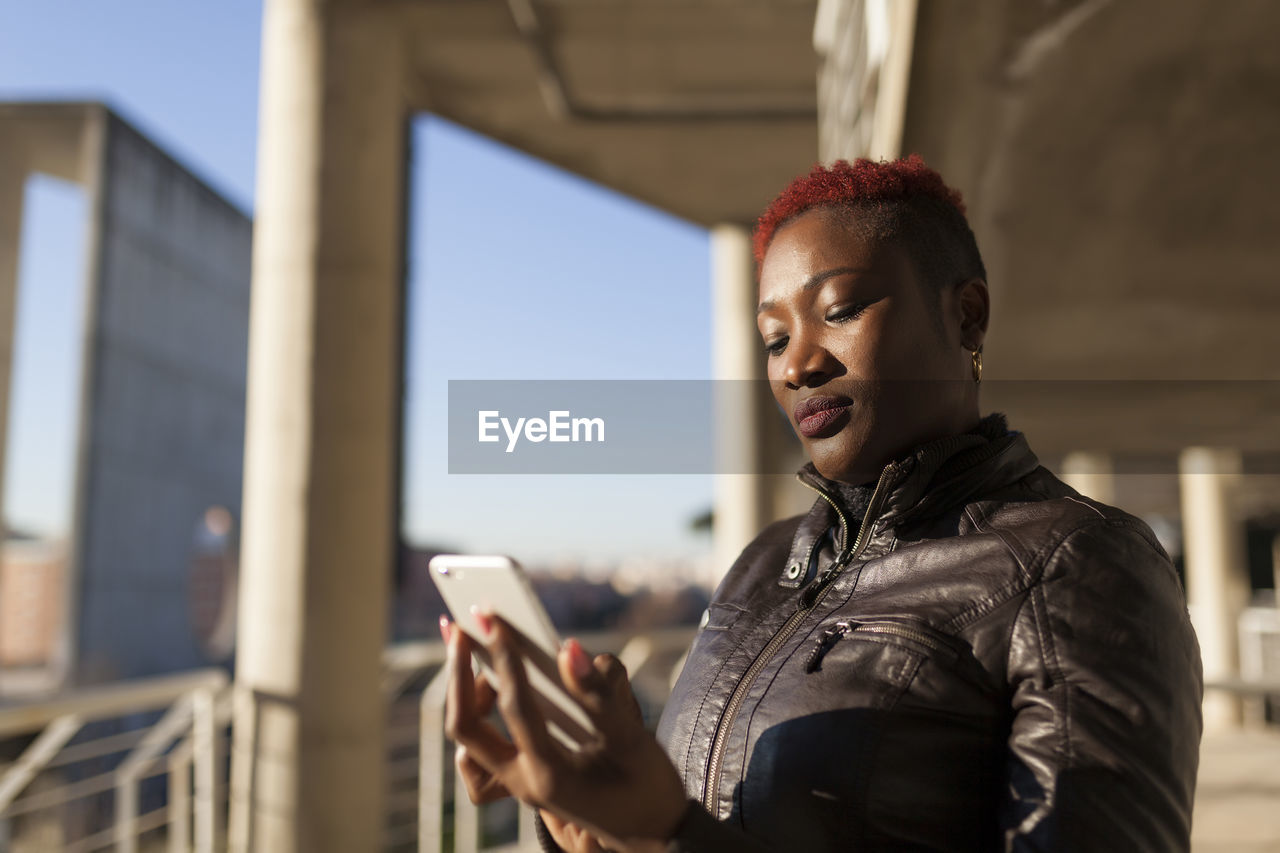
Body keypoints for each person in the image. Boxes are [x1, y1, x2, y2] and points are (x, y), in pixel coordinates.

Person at [442, 156, 1204, 852]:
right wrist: (592, 827)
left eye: (839, 310)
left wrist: (667, 836)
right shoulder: (764, 563)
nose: (799, 364)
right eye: (775, 339)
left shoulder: (1079, 565)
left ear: (967, 315)